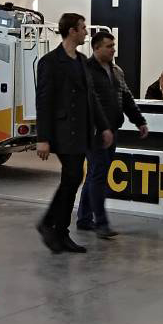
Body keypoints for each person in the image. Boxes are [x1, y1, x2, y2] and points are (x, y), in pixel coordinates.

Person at [35, 13, 111, 254]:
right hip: (63, 131)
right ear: (71, 31)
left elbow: (91, 98)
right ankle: (51, 224)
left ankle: (58, 230)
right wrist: (42, 138)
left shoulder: (81, 60)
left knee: (73, 179)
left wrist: (104, 126)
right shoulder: (50, 62)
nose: (86, 32)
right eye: (83, 28)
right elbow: (43, 102)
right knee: (73, 176)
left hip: (82, 132)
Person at [78, 30, 148, 238]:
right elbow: (85, 104)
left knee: (94, 174)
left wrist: (139, 121)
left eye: (113, 46)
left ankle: (84, 218)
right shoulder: (86, 70)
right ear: (96, 47)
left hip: (112, 131)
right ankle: (101, 223)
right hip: (94, 133)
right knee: (98, 175)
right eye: (109, 46)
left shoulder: (116, 71)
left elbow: (126, 97)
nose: (113, 50)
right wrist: (100, 127)